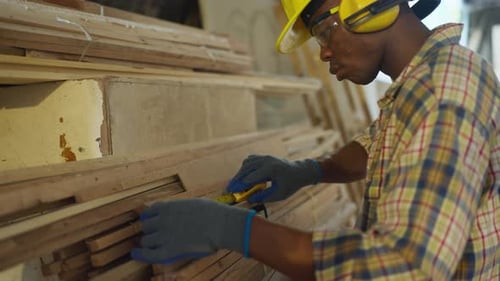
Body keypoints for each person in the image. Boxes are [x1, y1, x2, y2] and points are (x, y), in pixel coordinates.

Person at [131, 0, 500, 280]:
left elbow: (404, 266)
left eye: (324, 30)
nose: (323, 51)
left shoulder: (444, 88)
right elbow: (378, 146)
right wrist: (308, 171)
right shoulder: (422, 79)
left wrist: (234, 230)